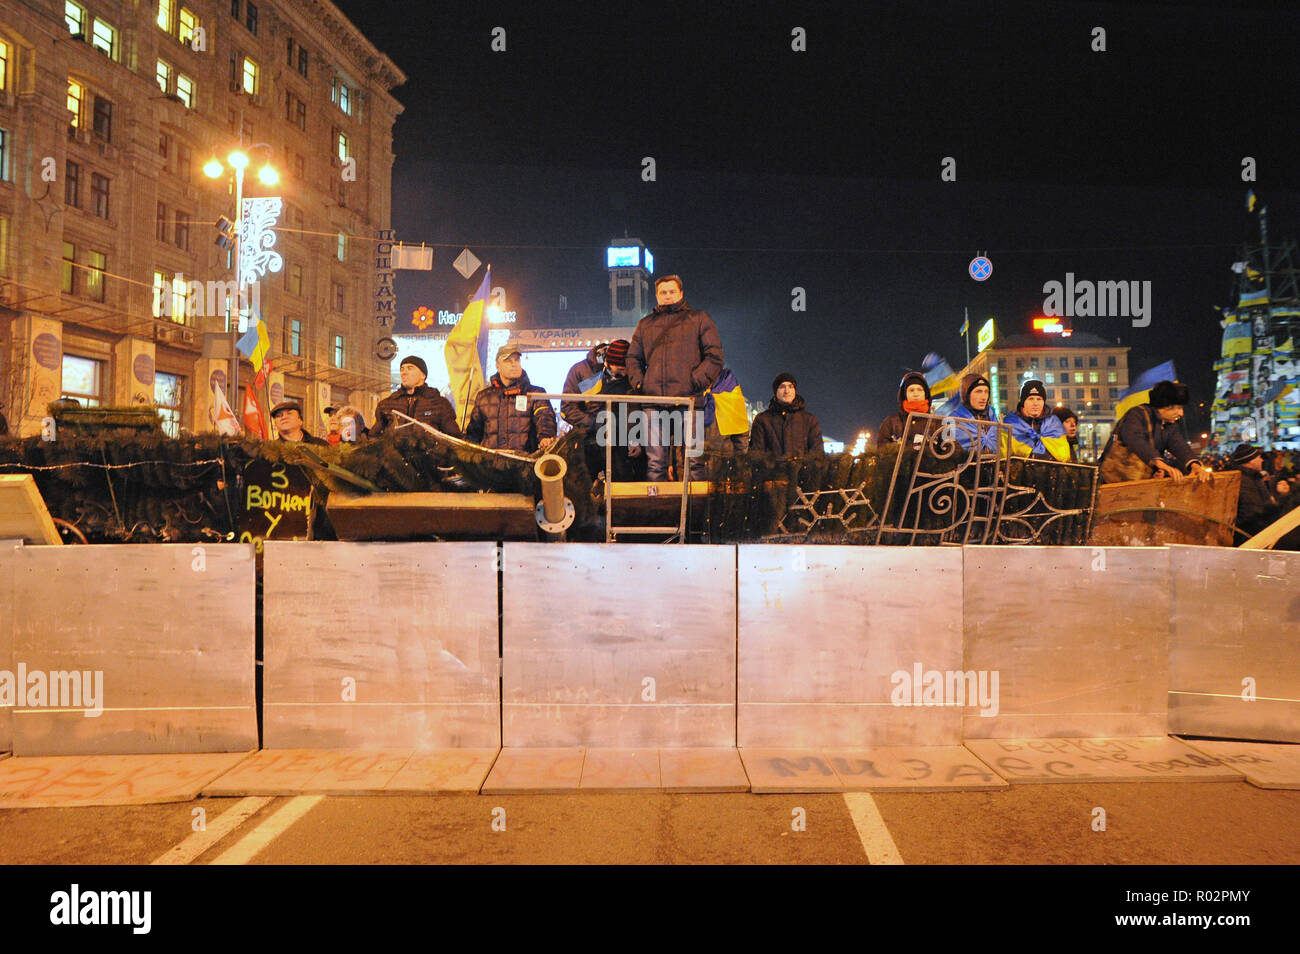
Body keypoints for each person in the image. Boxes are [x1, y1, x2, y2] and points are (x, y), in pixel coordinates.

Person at [626, 274, 724, 480]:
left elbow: (714, 357)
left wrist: (693, 382)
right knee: (655, 464)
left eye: (672, 292)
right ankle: (658, 512)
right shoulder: (645, 324)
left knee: (695, 463)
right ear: (656, 296)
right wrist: (640, 383)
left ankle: (695, 512)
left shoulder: (699, 318)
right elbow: (633, 357)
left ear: (681, 293)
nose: (667, 296)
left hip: (689, 400)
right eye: (663, 292)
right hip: (654, 401)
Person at [1098, 380, 1210, 484]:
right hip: (1114, 481)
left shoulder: (1170, 425)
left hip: (1141, 483)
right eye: (1178, 408)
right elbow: (1135, 440)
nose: (1181, 413)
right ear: (1166, 406)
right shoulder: (1136, 414)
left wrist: (1195, 465)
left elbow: (1180, 446)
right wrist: (1160, 464)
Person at [465, 343, 558, 452]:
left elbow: (545, 417)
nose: (514, 364)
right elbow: (473, 435)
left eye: (517, 360)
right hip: (489, 465)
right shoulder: (484, 397)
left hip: (523, 463)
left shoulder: (536, 393)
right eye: (508, 361)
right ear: (497, 366)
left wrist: (545, 436)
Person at [583, 339, 643, 481]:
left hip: (620, 443)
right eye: (621, 369)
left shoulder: (633, 379)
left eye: (626, 369)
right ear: (608, 363)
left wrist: (634, 439)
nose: (624, 372)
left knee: (621, 477)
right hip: (592, 439)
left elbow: (634, 410)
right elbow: (570, 406)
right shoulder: (586, 373)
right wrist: (594, 423)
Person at [370, 355, 460, 438]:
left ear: (423, 375)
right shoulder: (387, 404)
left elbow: (454, 438)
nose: (404, 372)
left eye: (410, 368)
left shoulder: (439, 404)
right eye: (402, 369)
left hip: (428, 455)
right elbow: (374, 437)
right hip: (394, 455)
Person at [749, 373, 824, 459]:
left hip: (802, 472)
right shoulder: (762, 420)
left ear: (795, 390)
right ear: (775, 391)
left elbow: (817, 454)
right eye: (782, 387)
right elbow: (757, 455)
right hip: (773, 472)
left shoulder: (810, 420)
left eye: (790, 386)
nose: (787, 391)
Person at [1002, 380, 1070, 461]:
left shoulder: (1054, 423)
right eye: (1031, 399)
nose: (1035, 403)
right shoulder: (1010, 423)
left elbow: (1064, 455)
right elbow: (1002, 454)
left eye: (1039, 399)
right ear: (1023, 402)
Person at [1227, 443, 1285, 539]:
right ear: (1250, 461)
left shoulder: (1254, 477)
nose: (1262, 460)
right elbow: (1251, 513)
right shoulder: (1244, 481)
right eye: (1258, 457)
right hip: (1253, 536)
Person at [940, 373, 999, 453]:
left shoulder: (992, 417)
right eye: (978, 392)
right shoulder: (951, 420)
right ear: (967, 395)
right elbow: (946, 452)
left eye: (986, 392)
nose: (983, 397)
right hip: (965, 464)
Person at [875, 371, 933, 450]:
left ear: (925, 394)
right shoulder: (890, 422)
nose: (916, 394)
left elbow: (951, 451)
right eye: (911, 390)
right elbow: (882, 452)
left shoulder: (937, 422)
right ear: (905, 394)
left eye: (920, 390)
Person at [560, 342, 608, 432]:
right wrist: (593, 423)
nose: (622, 373)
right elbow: (568, 407)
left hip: (618, 436)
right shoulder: (579, 371)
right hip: (587, 435)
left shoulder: (579, 370)